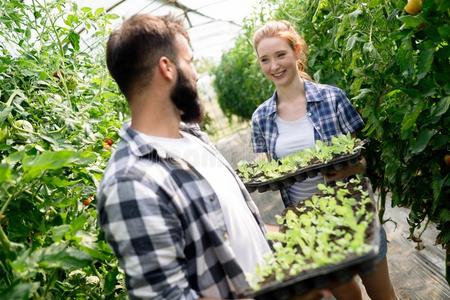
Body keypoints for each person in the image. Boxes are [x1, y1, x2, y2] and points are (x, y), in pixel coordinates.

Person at [97, 13, 329, 300]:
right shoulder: (131, 183)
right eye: (190, 61)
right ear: (167, 68)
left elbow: (234, 230)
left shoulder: (191, 138)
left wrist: (294, 240)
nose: (196, 74)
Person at [250, 20, 397, 300]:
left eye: (280, 54)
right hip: (310, 225)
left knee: (383, 295)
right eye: (265, 60)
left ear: (296, 52)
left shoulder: (332, 98)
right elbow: (263, 168)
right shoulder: (261, 118)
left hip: (354, 213)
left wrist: (353, 167)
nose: (274, 66)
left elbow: (366, 159)